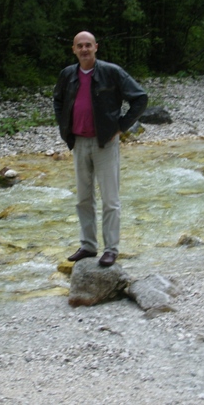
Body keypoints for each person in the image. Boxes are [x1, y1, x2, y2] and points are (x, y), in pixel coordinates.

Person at [52, 31, 148, 267]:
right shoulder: (67, 74)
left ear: (96, 47)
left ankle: (111, 249)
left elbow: (140, 98)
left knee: (110, 200)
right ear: (74, 50)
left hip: (105, 141)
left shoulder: (111, 72)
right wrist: (65, 128)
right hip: (78, 142)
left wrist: (121, 127)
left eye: (88, 45)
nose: (84, 49)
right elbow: (58, 100)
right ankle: (88, 246)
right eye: (80, 46)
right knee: (83, 199)